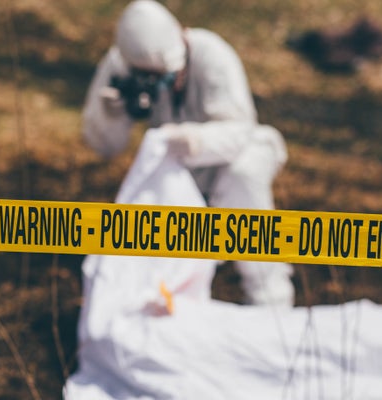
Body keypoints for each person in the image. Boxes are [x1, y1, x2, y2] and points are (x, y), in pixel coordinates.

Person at [81, 0, 294, 306]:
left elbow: (240, 130)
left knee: (242, 177)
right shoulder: (119, 64)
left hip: (234, 155)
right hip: (181, 169)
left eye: (164, 78)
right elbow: (105, 147)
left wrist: (195, 139)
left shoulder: (211, 53)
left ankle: (271, 297)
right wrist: (111, 116)